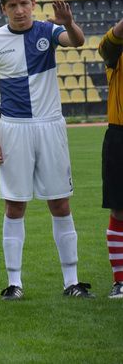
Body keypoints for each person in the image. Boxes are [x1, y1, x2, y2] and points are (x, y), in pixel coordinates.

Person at [0, 0, 94, 300]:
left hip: (49, 125)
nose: (19, 10)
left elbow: (79, 41)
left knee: (59, 202)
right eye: (12, 5)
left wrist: (69, 22)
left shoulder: (48, 30)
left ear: (33, 3)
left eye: (24, 3)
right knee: (14, 206)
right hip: (14, 128)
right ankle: (14, 283)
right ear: (4, 9)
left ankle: (71, 280)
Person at [98, 18, 123, 299]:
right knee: (119, 210)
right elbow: (106, 46)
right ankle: (120, 280)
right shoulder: (115, 50)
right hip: (120, 135)